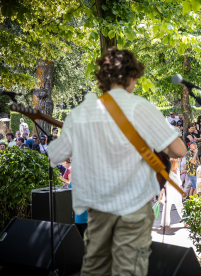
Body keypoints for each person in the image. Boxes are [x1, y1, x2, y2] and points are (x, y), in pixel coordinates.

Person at [48, 48, 187, 276]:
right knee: (129, 269)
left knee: (95, 267)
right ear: (132, 77)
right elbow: (179, 150)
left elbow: (58, 154)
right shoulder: (143, 108)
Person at [159, 158, 185, 227]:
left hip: (177, 192)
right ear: (174, 163)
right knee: (167, 208)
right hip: (168, 192)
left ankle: (186, 221)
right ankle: (165, 223)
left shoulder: (177, 170)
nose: (179, 163)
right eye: (178, 162)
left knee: (180, 206)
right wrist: (161, 194)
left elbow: (179, 181)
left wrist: (181, 189)